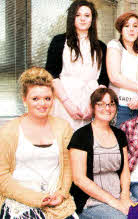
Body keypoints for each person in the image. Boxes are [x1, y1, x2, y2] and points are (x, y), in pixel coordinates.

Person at [0, 67, 76, 218]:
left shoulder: (64, 127)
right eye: (35, 99)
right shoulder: (9, 130)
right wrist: (36, 199)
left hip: (57, 204)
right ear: (24, 99)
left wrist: (61, 194)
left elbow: (68, 168)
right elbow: (2, 176)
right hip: (20, 203)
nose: (42, 104)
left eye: (47, 98)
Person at [45, 0, 108, 131]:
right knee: (63, 138)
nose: (82, 19)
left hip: (91, 101)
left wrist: (93, 105)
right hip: (64, 99)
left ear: (92, 19)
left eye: (87, 15)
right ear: (71, 18)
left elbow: (103, 79)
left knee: (87, 143)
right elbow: (52, 75)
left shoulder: (101, 46)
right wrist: (67, 104)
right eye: (78, 15)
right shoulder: (59, 41)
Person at [69, 88, 132, 218]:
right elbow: (79, 179)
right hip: (91, 201)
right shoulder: (80, 135)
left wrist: (125, 197)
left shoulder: (120, 134)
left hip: (119, 196)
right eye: (101, 104)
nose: (107, 108)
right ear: (92, 107)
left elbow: (125, 170)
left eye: (111, 104)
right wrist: (114, 202)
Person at [107, 12, 138, 127]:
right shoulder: (115, 45)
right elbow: (114, 77)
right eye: (127, 26)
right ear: (121, 29)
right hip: (120, 107)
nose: (131, 29)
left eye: (135, 26)